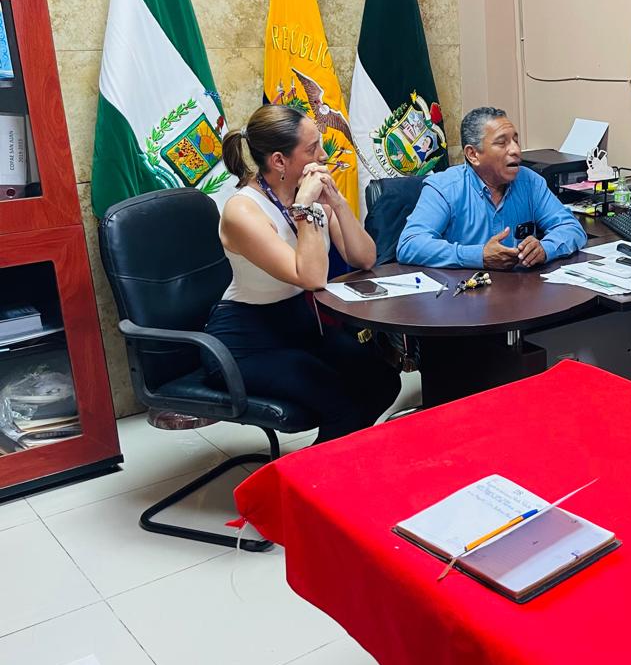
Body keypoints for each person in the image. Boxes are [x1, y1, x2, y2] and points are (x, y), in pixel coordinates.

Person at [205, 104, 401, 444]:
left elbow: (364, 257)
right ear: (279, 161)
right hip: (246, 341)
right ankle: (321, 472)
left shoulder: (309, 196)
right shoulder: (243, 211)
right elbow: (310, 278)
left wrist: (336, 202)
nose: (323, 155)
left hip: (298, 326)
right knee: (340, 402)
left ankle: (337, 459)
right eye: (312, 149)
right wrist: (305, 208)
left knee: (383, 380)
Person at [397, 106, 587, 269]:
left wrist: (545, 249)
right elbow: (410, 245)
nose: (516, 150)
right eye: (502, 143)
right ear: (473, 155)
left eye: (515, 140)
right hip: (463, 293)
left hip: (521, 292)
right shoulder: (444, 188)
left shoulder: (530, 182)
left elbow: (572, 228)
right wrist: (478, 256)